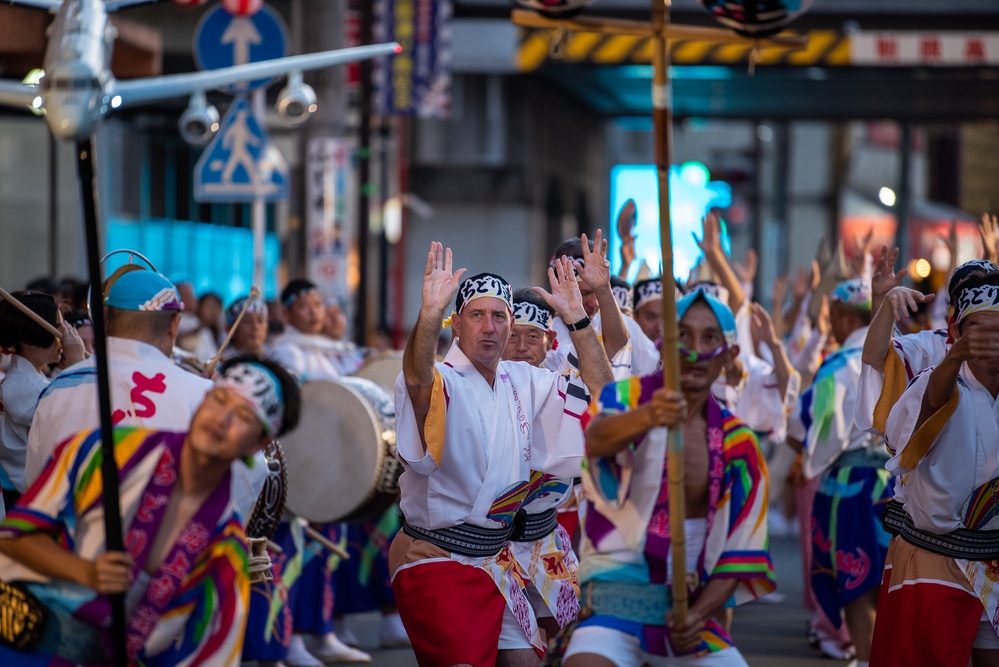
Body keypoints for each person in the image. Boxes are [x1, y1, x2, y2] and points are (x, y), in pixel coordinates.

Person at [389, 243, 613, 666]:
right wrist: (427, 315)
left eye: (499, 316)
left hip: (496, 559)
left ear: (511, 326)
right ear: (456, 325)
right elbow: (418, 382)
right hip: (435, 557)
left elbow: (606, 398)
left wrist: (578, 320)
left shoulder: (527, 380)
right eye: (477, 315)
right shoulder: (443, 380)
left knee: (527, 662)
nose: (489, 327)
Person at [0, 357, 300, 667]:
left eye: (243, 416)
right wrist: (84, 571)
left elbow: (211, 656)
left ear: (260, 443)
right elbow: (12, 538)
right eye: (219, 399)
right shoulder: (97, 452)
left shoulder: (225, 550)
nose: (221, 420)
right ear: (203, 399)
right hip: (20, 640)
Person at [562, 288, 774, 666]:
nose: (694, 348)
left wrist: (698, 616)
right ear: (663, 345)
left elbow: (742, 550)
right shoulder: (624, 399)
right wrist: (648, 417)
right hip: (614, 606)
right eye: (683, 335)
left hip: (688, 612)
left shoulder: (739, 441)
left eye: (710, 338)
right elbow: (596, 438)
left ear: (729, 355)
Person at [871, 273, 999, 667]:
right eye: (978, 329)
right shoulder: (933, 378)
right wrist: (957, 356)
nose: (991, 339)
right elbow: (930, 402)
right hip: (934, 556)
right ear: (955, 328)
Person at [500, 277, 615, 662]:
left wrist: (577, 317)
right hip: (487, 549)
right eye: (511, 335)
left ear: (550, 340)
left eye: (531, 337)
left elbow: (607, 396)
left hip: (545, 538)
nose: (519, 348)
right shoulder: (477, 379)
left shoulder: (564, 378)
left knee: (574, 637)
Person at [266, 278, 372, 665]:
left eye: (318, 304)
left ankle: (322, 631)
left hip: (329, 463)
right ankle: (290, 638)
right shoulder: (285, 351)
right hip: (302, 466)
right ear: (288, 311)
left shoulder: (325, 350)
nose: (314, 312)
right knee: (297, 553)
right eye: (305, 306)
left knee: (324, 552)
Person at [788, 279, 890, 667]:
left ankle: (865, 660)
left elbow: (802, 431)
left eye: (832, 318)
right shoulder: (901, 353)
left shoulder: (836, 366)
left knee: (857, 587)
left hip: (850, 487)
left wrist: (813, 453)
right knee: (889, 581)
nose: (830, 325)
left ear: (847, 317)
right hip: (896, 484)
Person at [0, 292, 85, 508]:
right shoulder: (20, 388)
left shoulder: (32, 381)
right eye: (57, 329)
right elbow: (81, 416)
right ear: (30, 338)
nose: (63, 338)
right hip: (44, 500)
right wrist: (76, 363)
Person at [220, 294, 269, 360]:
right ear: (230, 329)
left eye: (260, 320)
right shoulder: (221, 365)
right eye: (247, 320)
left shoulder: (277, 360)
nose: (255, 327)